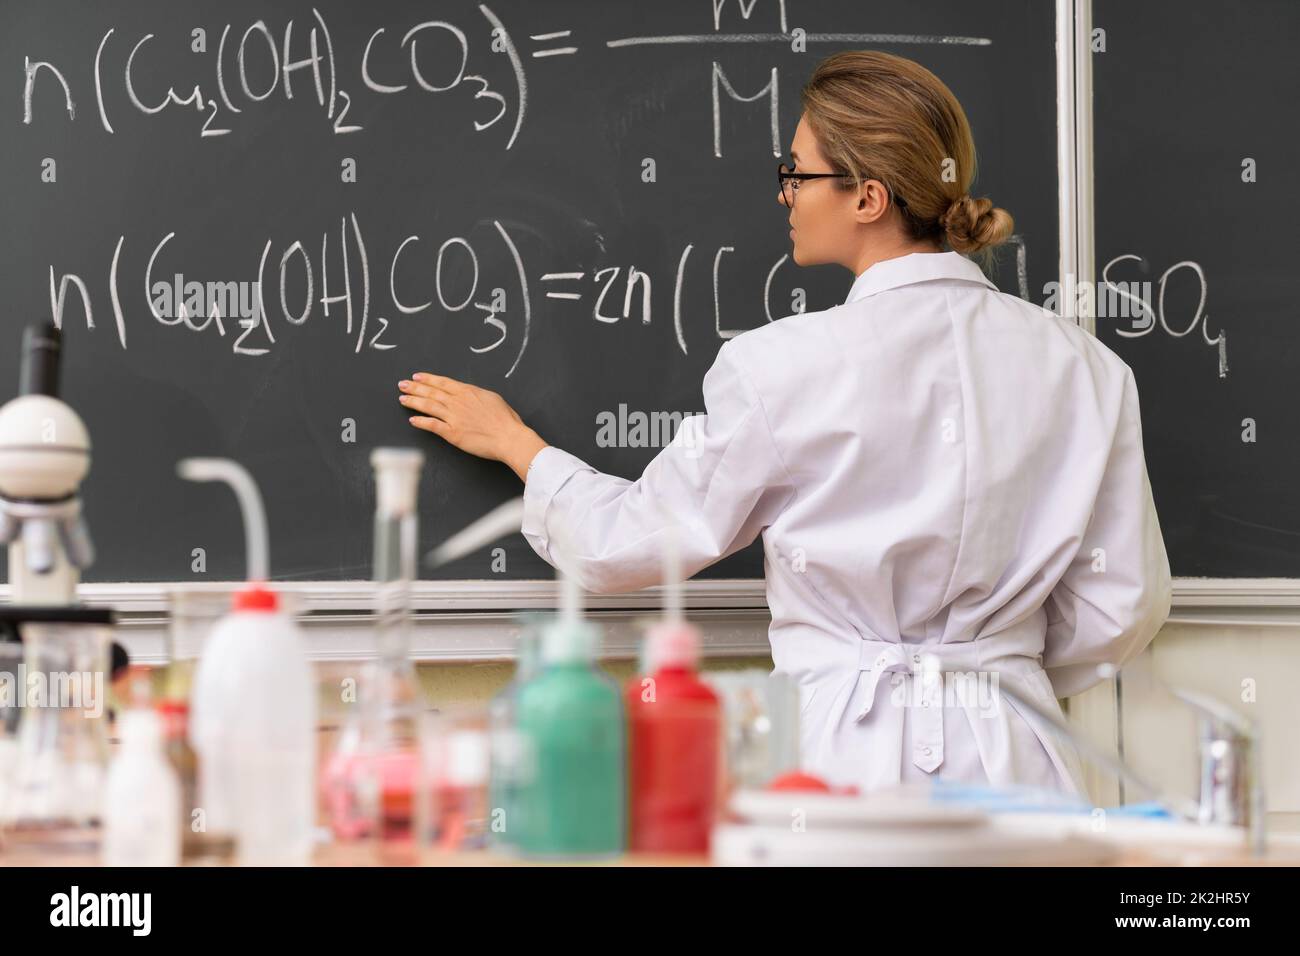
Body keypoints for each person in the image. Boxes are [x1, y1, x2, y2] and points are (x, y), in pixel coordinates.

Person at [394, 50, 1172, 795]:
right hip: (1023, 761)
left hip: (840, 762)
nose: (784, 194)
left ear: (867, 197)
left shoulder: (782, 368)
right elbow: (1121, 605)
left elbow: (627, 544)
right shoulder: (1088, 370)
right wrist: (997, 666)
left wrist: (517, 445)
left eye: (796, 173)